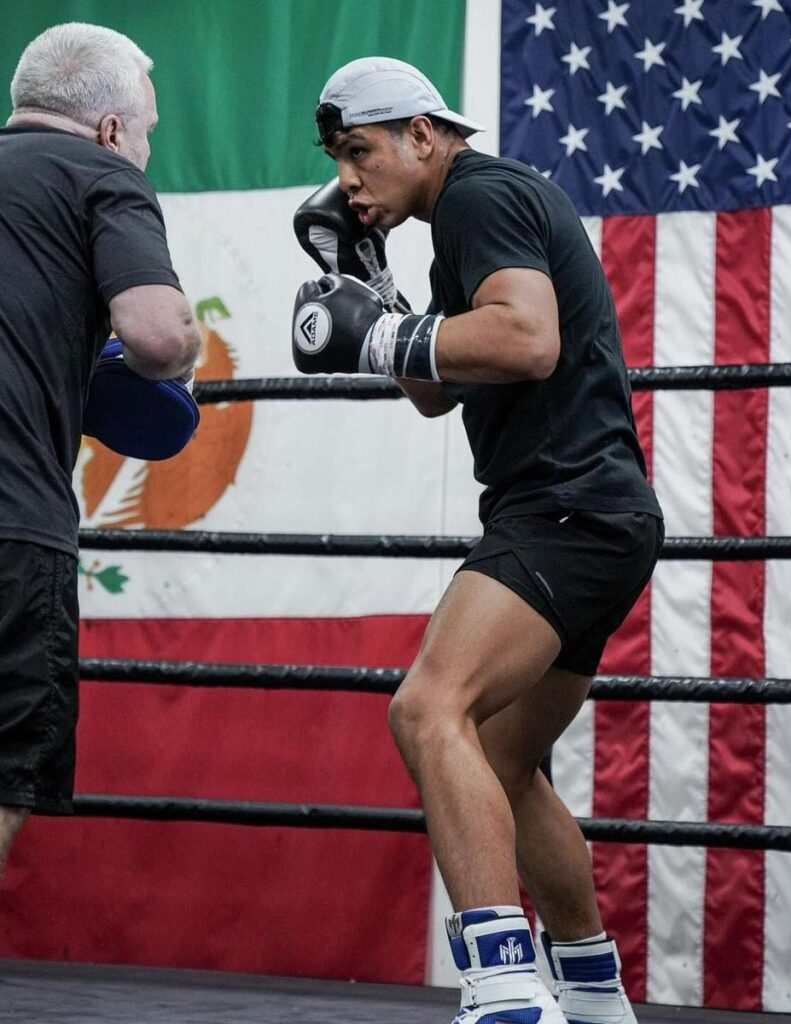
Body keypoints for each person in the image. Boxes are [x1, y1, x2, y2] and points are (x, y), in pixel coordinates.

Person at [292, 56, 662, 1024]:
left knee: (427, 711)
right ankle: (590, 993)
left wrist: (371, 339)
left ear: (423, 132)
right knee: (499, 756)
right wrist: (368, 288)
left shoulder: (477, 198)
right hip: (595, 515)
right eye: (337, 160)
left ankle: (503, 990)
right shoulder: (462, 218)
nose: (349, 179)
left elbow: (525, 340)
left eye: (359, 152)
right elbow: (434, 390)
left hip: (565, 509)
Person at [0, 23, 200, 877]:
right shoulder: (102, 174)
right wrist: (169, 348)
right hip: (11, 521)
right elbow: (158, 341)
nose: (145, 148)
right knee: (5, 770)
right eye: (148, 131)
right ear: (114, 129)